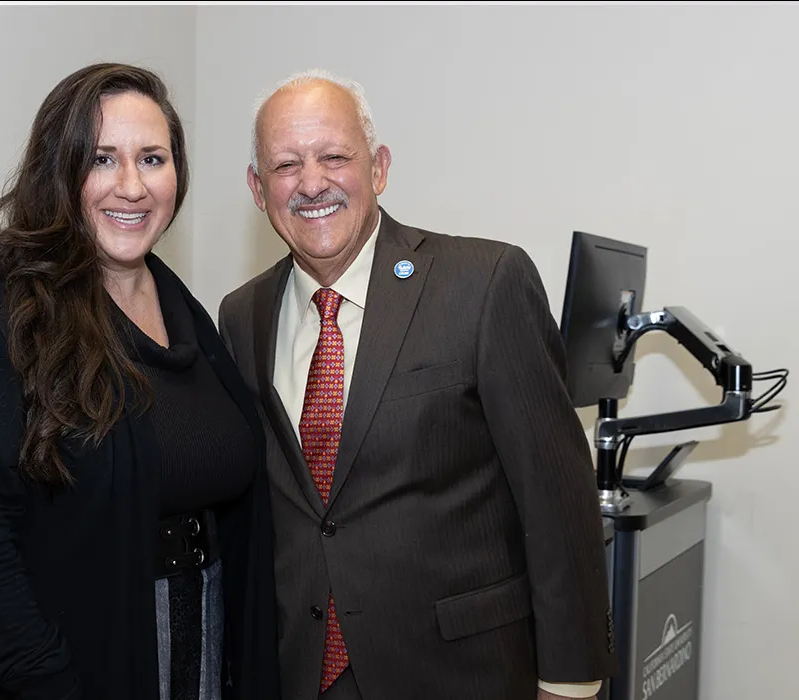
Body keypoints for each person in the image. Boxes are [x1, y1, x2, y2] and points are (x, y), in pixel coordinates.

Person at [217, 69, 618, 700]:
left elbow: (557, 499)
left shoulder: (484, 283)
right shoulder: (241, 317)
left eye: (334, 157)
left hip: (464, 673)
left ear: (377, 168)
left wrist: (570, 682)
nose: (312, 182)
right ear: (258, 189)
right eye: (286, 165)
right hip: (300, 672)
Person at [0, 62, 279, 700]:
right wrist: (46, 681)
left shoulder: (184, 308)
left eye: (153, 159)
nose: (131, 186)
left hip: (194, 662)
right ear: (59, 170)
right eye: (102, 159)